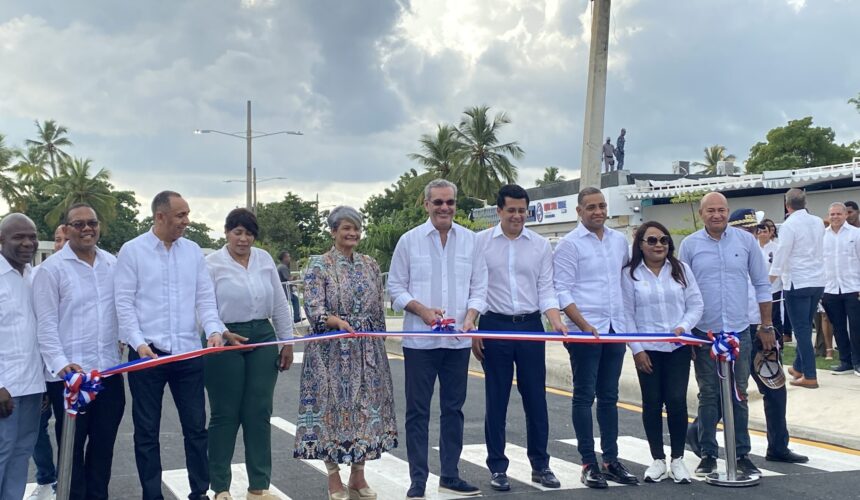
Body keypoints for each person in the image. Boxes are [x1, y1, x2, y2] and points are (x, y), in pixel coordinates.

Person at [115, 191, 230, 500]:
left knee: (195, 428)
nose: (186, 221)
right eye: (180, 215)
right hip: (146, 356)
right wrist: (138, 344)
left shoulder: (193, 252)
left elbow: (205, 300)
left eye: (187, 214)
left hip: (188, 353)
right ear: (160, 216)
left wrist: (214, 330)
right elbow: (124, 305)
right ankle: (152, 494)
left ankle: (199, 492)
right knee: (147, 432)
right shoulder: (133, 251)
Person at [388, 179, 486, 499]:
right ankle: (418, 480)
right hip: (420, 342)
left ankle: (451, 475)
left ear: (456, 205)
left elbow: (479, 288)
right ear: (427, 205)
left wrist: (471, 318)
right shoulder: (409, 241)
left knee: (453, 410)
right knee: (418, 411)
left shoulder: (471, 242)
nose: (445, 208)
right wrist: (421, 310)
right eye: (438, 202)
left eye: (450, 202)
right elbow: (396, 288)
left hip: (457, 343)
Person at [295, 206, 397, 500]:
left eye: (356, 229)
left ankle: (358, 475)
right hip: (330, 349)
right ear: (333, 232)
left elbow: (378, 307)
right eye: (346, 229)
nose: (352, 234)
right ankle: (333, 478)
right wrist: (337, 322)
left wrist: (380, 339)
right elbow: (313, 309)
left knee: (365, 410)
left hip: (367, 349)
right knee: (331, 411)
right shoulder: (319, 265)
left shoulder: (370, 264)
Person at [470, 184, 567, 492]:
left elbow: (547, 289)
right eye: (510, 210)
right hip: (494, 326)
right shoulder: (480, 243)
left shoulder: (539, 245)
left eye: (522, 210)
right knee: (496, 399)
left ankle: (541, 465)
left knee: (536, 398)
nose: (517, 216)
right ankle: (497, 467)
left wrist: (555, 319)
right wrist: (473, 327)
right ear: (498, 211)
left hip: (529, 326)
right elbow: (475, 289)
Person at [32, 204, 126, 500]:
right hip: (70, 379)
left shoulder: (113, 264)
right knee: (71, 451)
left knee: (103, 448)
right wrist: (60, 365)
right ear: (67, 229)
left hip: (108, 373)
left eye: (92, 223)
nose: (87, 228)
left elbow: (121, 312)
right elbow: (45, 326)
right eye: (79, 224)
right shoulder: (51, 270)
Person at [679, 192, 771, 478]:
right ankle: (707, 453)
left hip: (739, 330)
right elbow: (681, 288)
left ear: (727, 212)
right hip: (704, 332)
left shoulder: (745, 242)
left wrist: (766, 325)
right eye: (711, 211)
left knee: (739, 393)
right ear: (702, 214)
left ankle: (741, 453)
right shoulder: (690, 245)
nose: (717, 215)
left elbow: (761, 283)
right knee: (708, 394)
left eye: (721, 210)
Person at [552, 186, 639, 489]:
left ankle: (611, 461)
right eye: (591, 207)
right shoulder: (569, 245)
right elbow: (562, 290)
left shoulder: (618, 241)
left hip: (615, 329)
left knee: (610, 397)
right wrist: (583, 324)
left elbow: (624, 283)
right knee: (583, 396)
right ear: (579, 211)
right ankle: (588, 462)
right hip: (584, 333)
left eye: (602, 206)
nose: (598, 212)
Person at [205, 208, 295, 500]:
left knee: (258, 411)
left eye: (249, 233)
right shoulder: (211, 264)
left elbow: (280, 304)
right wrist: (220, 331)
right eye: (237, 232)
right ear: (227, 232)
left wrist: (287, 342)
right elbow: (202, 306)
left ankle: (259, 485)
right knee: (225, 413)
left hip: (262, 334)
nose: (243, 239)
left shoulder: (264, 259)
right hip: (225, 338)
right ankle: (220, 486)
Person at [622, 221, 702, 484]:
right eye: (652, 240)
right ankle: (657, 459)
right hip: (648, 350)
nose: (659, 245)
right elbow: (627, 315)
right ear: (641, 244)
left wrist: (684, 327)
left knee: (677, 401)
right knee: (652, 403)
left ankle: (678, 459)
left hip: (677, 347)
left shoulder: (681, 270)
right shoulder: (630, 274)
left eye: (664, 240)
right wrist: (637, 349)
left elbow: (696, 305)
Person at [731, 209, 809, 464]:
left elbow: (766, 292)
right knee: (730, 391)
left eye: (754, 229)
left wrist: (767, 328)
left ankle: (778, 446)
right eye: (745, 229)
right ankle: (697, 433)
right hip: (736, 331)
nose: (751, 234)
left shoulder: (760, 254)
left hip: (761, 329)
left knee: (775, 388)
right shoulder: (729, 257)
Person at [0, 213, 45, 500]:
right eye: (19, 237)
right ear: (1, 240)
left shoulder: (34, 277)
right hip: (5, 389)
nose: (28, 243)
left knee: (21, 455)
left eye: (32, 236)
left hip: (32, 386)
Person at [769, 188, 825, 388]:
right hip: (818, 280)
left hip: (797, 281)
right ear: (805, 203)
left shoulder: (789, 225)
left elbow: (783, 253)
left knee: (801, 329)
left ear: (787, 204)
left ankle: (810, 375)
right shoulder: (818, 221)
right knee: (805, 323)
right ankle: (799, 367)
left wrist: (771, 278)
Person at [27, 224, 66, 500]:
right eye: (57, 239)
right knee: (37, 429)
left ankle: (67, 480)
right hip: (38, 369)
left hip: (69, 371)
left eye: (65, 238)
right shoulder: (39, 274)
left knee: (69, 431)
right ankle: (46, 478)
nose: (62, 244)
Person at [821, 202, 860, 376]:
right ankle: (846, 361)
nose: (835, 217)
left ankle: (858, 362)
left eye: (838, 214)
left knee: (856, 326)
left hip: (853, 287)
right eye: (832, 214)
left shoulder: (856, 234)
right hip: (830, 289)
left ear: (845, 215)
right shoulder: (822, 236)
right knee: (838, 327)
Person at [761, 219, 793, 343]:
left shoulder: (776, 248)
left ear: (770, 233)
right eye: (760, 231)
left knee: (775, 316)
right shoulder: (753, 247)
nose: (762, 234)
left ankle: (778, 343)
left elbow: (780, 268)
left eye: (765, 231)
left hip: (774, 287)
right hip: (757, 289)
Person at [277, 250, 302, 323]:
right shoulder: (283, 267)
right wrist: (297, 276)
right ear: (284, 258)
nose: (289, 258)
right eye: (288, 256)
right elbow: (289, 279)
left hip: (283, 290)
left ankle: (295, 317)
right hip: (284, 290)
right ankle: (296, 317)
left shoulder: (280, 266)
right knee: (295, 299)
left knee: (294, 299)